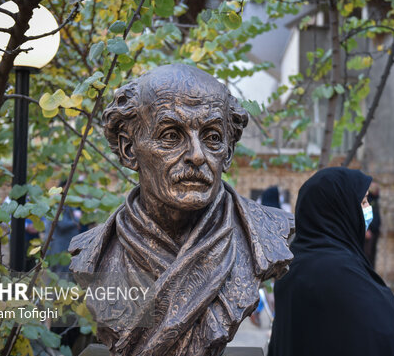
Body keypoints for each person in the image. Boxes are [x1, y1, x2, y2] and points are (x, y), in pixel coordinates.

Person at [69, 64, 293, 356]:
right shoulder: (92, 254)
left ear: (227, 153)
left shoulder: (266, 237)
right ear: (128, 149)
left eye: (212, 137)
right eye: (171, 136)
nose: (197, 155)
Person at [268, 167, 394, 356]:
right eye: (363, 202)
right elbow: (380, 332)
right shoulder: (336, 271)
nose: (368, 209)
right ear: (340, 209)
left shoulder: (294, 264)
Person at [364, 182, 381, 269]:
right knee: (367, 253)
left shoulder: (375, 199)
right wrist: (366, 229)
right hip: (369, 231)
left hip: (375, 231)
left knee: (372, 253)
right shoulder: (368, 199)